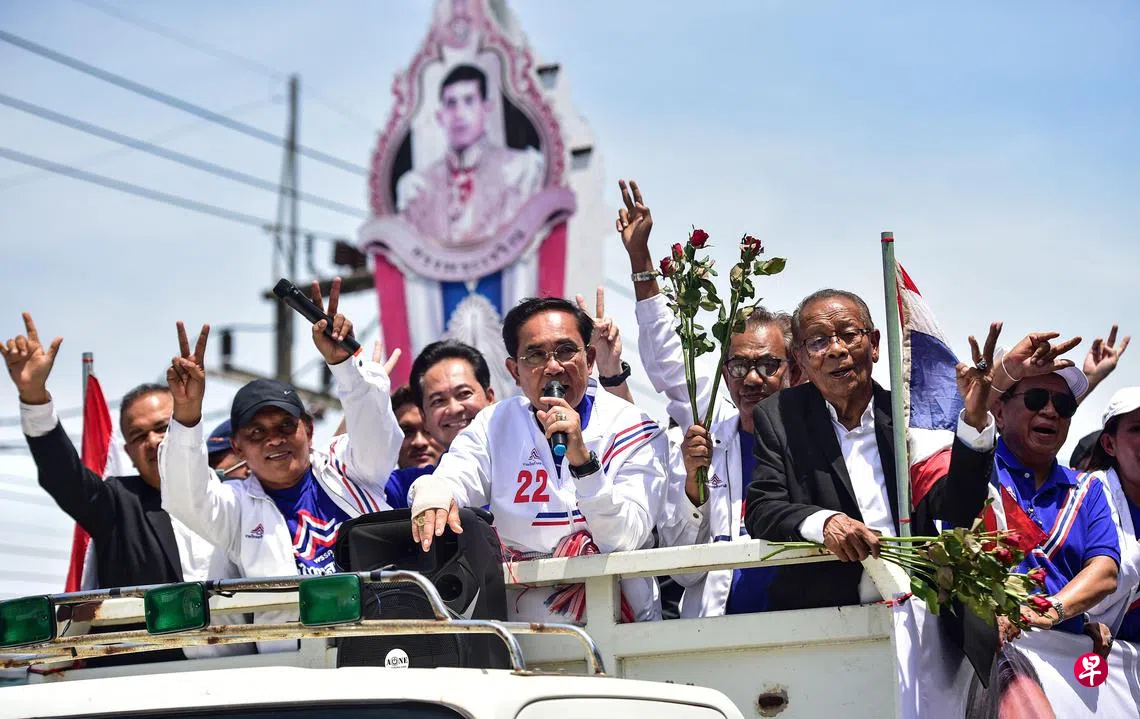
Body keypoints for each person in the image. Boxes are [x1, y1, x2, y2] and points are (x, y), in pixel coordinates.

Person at [408, 297, 667, 623]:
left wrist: (584, 464)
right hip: (525, 634)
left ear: (589, 359)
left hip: (621, 629)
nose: (553, 366)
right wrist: (434, 491)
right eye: (535, 355)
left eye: (565, 351)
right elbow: (455, 475)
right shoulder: (494, 424)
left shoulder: (636, 428)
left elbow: (625, 538)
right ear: (514, 372)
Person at [613, 179, 794, 617]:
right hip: (712, 633)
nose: (752, 379)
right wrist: (695, 488)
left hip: (805, 628)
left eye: (769, 365)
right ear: (724, 373)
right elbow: (684, 575)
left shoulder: (820, 440)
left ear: (795, 369)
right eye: (738, 366)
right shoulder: (708, 436)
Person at [159, 278, 403, 589]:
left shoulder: (348, 467)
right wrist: (187, 410)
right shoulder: (236, 508)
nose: (274, 439)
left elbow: (376, 432)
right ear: (238, 447)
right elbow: (185, 498)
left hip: (385, 617)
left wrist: (344, 365)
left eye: (285, 426)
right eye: (257, 432)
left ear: (309, 430)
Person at [2, 313, 215, 590]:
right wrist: (34, 396)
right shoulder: (118, 504)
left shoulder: (230, 494)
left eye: (162, 427)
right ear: (128, 452)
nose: (153, 441)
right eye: (139, 436)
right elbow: (63, 476)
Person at [986, 335, 1119, 655]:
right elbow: (969, 420)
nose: (1050, 411)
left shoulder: (1087, 489)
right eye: (1035, 399)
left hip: (1060, 669)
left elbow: (1105, 571)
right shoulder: (976, 468)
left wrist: (1054, 610)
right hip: (982, 667)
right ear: (999, 413)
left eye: (1063, 405)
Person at [395, 63, 544, 248]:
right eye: (451, 104)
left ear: (486, 107)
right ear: (440, 116)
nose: (459, 114)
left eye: (469, 101)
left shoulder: (521, 169)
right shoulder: (417, 187)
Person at [1083, 387, 1140, 647]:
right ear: (1109, 444)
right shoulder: (1085, 496)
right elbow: (1095, 599)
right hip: (1093, 663)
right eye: (1137, 429)